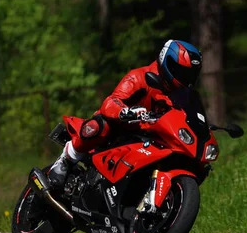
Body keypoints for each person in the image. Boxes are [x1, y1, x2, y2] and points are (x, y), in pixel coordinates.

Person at [48, 39, 203, 189]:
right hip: (121, 129)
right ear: (167, 62)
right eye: (182, 72)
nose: (186, 79)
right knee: (100, 125)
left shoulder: (183, 95)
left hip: (152, 137)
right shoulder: (139, 77)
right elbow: (110, 102)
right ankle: (66, 159)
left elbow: (186, 116)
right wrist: (125, 112)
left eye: (190, 75)